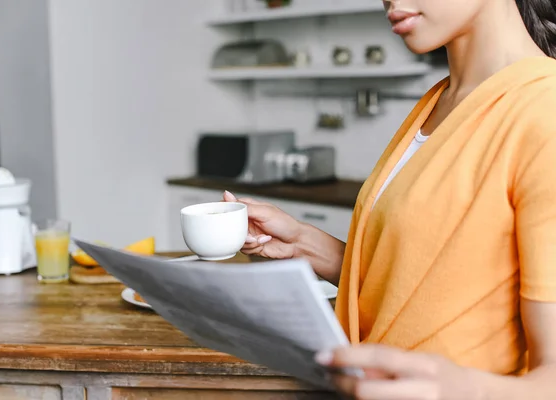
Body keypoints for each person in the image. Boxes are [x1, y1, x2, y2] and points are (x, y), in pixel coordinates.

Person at [223, 0, 556, 398]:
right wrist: (305, 246)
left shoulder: (544, 112)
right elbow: (426, 285)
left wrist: (459, 389)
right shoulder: (439, 101)